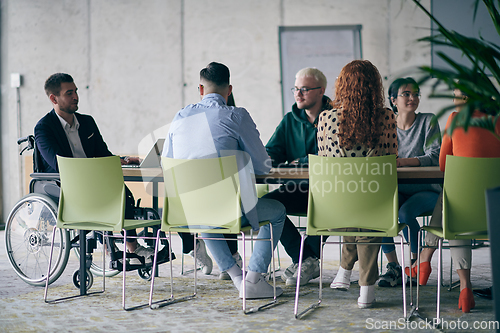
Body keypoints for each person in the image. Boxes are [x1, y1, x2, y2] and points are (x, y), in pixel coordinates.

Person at [34, 73, 213, 272]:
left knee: (140, 201)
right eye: (69, 93)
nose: (76, 96)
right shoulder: (44, 128)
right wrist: (101, 167)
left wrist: (124, 160)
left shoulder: (87, 122)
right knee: (118, 194)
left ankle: (155, 246)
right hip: (66, 188)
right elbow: (60, 164)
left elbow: (102, 154)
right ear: (53, 98)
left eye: (76, 91)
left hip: (98, 183)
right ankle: (133, 247)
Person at [162, 62, 286, 298]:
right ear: (229, 90)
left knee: (203, 211)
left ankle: (238, 278)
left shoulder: (181, 116)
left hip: (189, 209)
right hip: (230, 207)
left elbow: (167, 163)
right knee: (278, 211)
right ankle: (254, 278)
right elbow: (263, 166)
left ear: (200, 89)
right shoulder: (237, 115)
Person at [405, 88, 500, 313]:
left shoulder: (456, 120)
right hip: (495, 211)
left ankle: (434, 265)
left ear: (466, 99)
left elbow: (445, 165)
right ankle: (426, 260)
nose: (453, 100)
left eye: (456, 95)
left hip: (463, 211)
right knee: (453, 201)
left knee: (453, 202)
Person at [317, 60, 398, 308]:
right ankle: (366, 291)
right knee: (367, 212)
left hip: (335, 206)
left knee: (353, 203)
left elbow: (325, 164)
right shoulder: (386, 117)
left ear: (341, 86)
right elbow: (391, 160)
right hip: (376, 201)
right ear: (375, 87)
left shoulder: (325, 118)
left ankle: (345, 270)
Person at [264, 67, 332, 286]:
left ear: (321, 91)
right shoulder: (289, 121)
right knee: (266, 204)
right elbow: (271, 153)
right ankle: (306, 258)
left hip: (332, 189)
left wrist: (302, 161)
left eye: (304, 89)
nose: (298, 94)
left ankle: (305, 260)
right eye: (296, 89)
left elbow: (335, 156)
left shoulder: (337, 117)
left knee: (336, 203)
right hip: (298, 188)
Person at [377, 78, 441, 288]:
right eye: (406, 94)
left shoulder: (428, 121)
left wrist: (404, 162)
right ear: (393, 100)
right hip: (397, 188)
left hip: (427, 189)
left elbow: (436, 155)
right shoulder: (385, 125)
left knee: (405, 213)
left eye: (415, 94)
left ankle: (415, 264)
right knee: (379, 213)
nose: (412, 98)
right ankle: (393, 267)